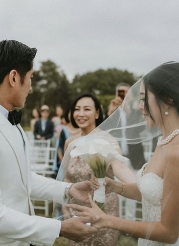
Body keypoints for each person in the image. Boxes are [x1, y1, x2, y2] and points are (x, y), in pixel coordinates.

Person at [70, 62, 179, 245]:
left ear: (168, 99)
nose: (140, 106)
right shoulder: (165, 141)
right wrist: (116, 187)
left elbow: (169, 233)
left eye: (143, 98)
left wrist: (108, 220)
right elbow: (154, 194)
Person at [0, 39, 99, 246]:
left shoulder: (13, 124)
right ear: (13, 77)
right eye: (30, 78)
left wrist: (67, 190)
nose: (31, 87)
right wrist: (59, 228)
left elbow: (21, 180)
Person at [58, 93, 136, 246]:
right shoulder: (70, 142)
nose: (80, 114)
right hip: (77, 208)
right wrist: (64, 205)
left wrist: (140, 185)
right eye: (77, 109)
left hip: (104, 208)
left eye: (86, 109)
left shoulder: (108, 140)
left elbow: (119, 167)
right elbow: (67, 177)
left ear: (97, 113)